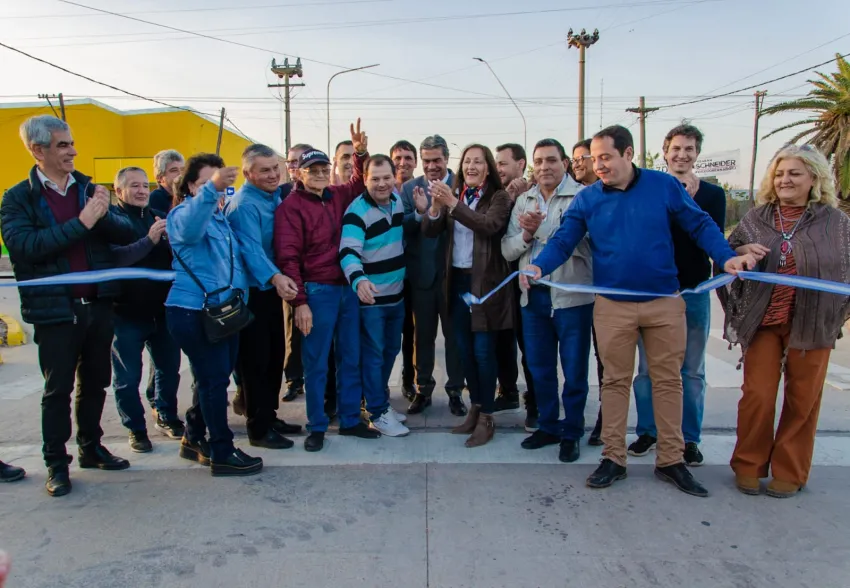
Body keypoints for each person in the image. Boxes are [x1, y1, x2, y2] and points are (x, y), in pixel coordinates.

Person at [524, 125, 755, 497]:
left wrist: (726, 257)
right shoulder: (587, 198)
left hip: (664, 303)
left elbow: (699, 224)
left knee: (668, 382)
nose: (598, 165)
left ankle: (671, 460)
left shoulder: (663, 187)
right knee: (615, 382)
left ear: (628, 154)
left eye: (606, 157)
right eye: (593, 159)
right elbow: (563, 240)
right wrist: (539, 266)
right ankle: (613, 458)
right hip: (612, 305)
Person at [1, 115, 137, 497]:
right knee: (57, 390)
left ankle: (91, 448)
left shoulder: (88, 188)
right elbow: (25, 247)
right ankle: (57, 465)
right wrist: (83, 222)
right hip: (56, 311)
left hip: (98, 305)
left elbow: (126, 232)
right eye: (63, 145)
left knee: (95, 383)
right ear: (37, 150)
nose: (73, 151)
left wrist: (105, 212)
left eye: (72, 143)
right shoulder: (18, 198)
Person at [720, 145, 850, 498]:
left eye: (794, 173)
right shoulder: (756, 218)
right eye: (779, 174)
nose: (784, 180)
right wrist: (741, 252)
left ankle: (790, 470)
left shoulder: (836, 224)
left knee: (803, 400)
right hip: (763, 321)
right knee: (757, 395)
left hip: (813, 323)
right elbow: (728, 253)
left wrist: (838, 310)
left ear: (814, 178)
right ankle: (748, 465)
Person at [275, 119, 380, 452]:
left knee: (350, 357)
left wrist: (360, 154)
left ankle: (349, 420)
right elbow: (288, 258)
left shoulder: (336, 196)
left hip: (346, 288)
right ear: (299, 173)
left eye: (324, 169)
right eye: (313, 170)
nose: (320, 174)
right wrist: (300, 303)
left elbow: (356, 182)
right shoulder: (290, 208)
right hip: (317, 292)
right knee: (316, 363)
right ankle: (317, 425)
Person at [629, 125, 725, 467]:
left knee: (691, 371)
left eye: (689, 149)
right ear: (665, 151)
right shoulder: (650, 189)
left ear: (697, 154)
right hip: (654, 291)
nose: (682, 155)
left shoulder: (712, 195)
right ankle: (648, 431)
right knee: (647, 369)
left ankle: (689, 439)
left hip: (694, 291)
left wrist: (689, 203)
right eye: (676, 148)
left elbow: (710, 238)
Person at [166, 153, 264, 477]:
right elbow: (190, 230)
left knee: (212, 378)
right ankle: (222, 452)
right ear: (191, 187)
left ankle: (193, 437)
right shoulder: (182, 215)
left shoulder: (221, 220)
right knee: (213, 382)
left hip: (224, 313)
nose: (217, 189)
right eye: (207, 183)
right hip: (193, 312)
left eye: (220, 183)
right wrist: (213, 189)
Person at [503, 139, 594, 462]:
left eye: (551, 160)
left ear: (565, 164)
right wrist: (527, 235)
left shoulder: (583, 196)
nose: (544, 167)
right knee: (539, 368)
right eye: (539, 161)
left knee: (574, 370)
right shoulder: (524, 200)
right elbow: (508, 250)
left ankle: (572, 432)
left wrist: (542, 230)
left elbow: (585, 243)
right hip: (533, 298)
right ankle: (548, 425)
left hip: (571, 298)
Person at [422, 144, 514, 447]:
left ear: (488, 167)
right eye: (467, 161)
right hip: (457, 283)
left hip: (485, 285)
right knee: (464, 351)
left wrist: (452, 203)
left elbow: (488, 226)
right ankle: (475, 407)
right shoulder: (457, 193)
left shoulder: (498, 197)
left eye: (478, 161)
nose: (471, 166)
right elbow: (430, 231)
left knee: (484, 353)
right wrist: (435, 208)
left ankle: (487, 415)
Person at [226, 144, 301, 450]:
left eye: (275, 168)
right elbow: (251, 250)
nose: (273, 175)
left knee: (273, 357)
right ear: (247, 173)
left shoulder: (273, 197)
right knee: (255, 362)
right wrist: (276, 277)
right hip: (253, 292)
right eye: (265, 170)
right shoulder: (244, 205)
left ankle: (269, 416)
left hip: (271, 290)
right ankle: (258, 428)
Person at [108, 166, 183, 454]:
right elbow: (116, 259)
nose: (142, 191)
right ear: (119, 191)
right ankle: (136, 429)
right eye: (134, 186)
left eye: (144, 185)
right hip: (126, 314)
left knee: (169, 371)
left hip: (163, 311)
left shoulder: (158, 217)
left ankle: (166, 415)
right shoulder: (110, 221)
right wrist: (149, 240)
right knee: (127, 379)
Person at [339, 154, 410, 437]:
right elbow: (348, 252)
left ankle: (379, 402)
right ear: (365, 180)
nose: (382, 184)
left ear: (394, 177)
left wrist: (421, 212)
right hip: (372, 302)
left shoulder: (397, 201)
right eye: (375, 179)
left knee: (391, 351)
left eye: (386, 178)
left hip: (397, 297)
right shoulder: (356, 211)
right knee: (374, 356)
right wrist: (359, 280)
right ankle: (377, 413)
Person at [400, 135, 466, 416]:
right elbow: (402, 226)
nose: (431, 166)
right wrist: (419, 213)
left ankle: (455, 391)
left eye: (437, 160)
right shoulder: (409, 188)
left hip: (454, 277)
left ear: (447, 159)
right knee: (422, 338)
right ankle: (423, 389)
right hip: (422, 278)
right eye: (426, 161)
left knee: (455, 338)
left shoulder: (461, 185)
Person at [494, 143, 538, 430]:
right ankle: (507, 391)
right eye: (496, 163)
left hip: (525, 283)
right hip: (497, 284)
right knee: (502, 343)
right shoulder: (499, 194)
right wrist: (508, 197)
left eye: (503, 163)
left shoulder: (533, 196)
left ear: (520, 164)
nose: (498, 168)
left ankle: (535, 401)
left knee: (529, 346)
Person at [571, 138, 605, 447]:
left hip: (611, 291)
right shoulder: (577, 198)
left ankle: (607, 420)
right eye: (575, 159)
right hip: (583, 292)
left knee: (608, 361)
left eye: (583, 157)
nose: (577, 163)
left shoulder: (613, 194)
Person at [390, 140, 419, 401]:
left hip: (414, 274)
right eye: (398, 158)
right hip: (386, 275)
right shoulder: (382, 189)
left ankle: (409, 380)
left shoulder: (422, 190)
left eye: (408, 158)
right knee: (385, 333)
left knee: (411, 333)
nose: (403, 163)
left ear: (415, 162)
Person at [148, 149, 184, 214]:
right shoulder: (155, 198)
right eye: (174, 170)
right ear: (160, 177)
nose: (180, 174)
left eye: (182, 170)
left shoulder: (186, 195)